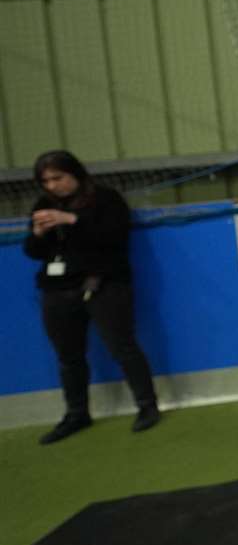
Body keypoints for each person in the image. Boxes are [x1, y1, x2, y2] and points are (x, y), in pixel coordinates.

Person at [23, 150, 160, 444]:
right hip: (57, 290)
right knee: (68, 356)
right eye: (45, 181)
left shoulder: (106, 199)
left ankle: (147, 406)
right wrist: (37, 233)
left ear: (75, 173)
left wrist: (72, 220)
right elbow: (33, 252)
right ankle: (76, 413)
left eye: (58, 178)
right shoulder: (43, 205)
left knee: (122, 346)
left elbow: (113, 236)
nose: (51, 186)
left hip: (104, 284)